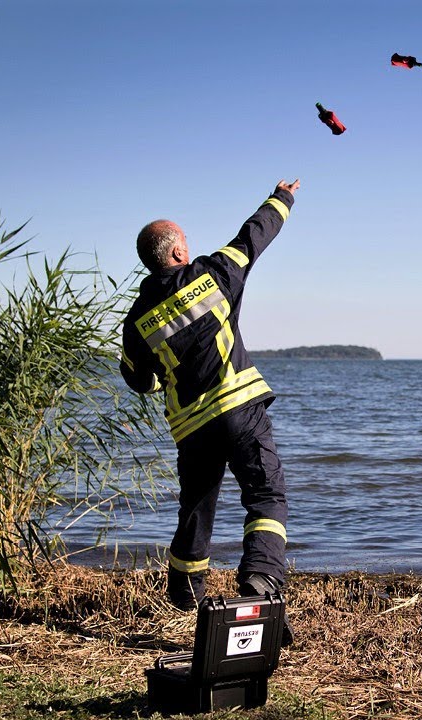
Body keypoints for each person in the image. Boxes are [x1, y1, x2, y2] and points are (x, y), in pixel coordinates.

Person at [119, 179, 300, 625]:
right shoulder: (212, 274)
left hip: (192, 429)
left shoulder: (136, 320)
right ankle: (260, 579)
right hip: (239, 410)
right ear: (179, 253)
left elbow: (138, 380)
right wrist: (282, 197)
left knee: (196, 509)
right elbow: (254, 236)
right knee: (265, 495)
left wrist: (163, 383)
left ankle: (183, 597)